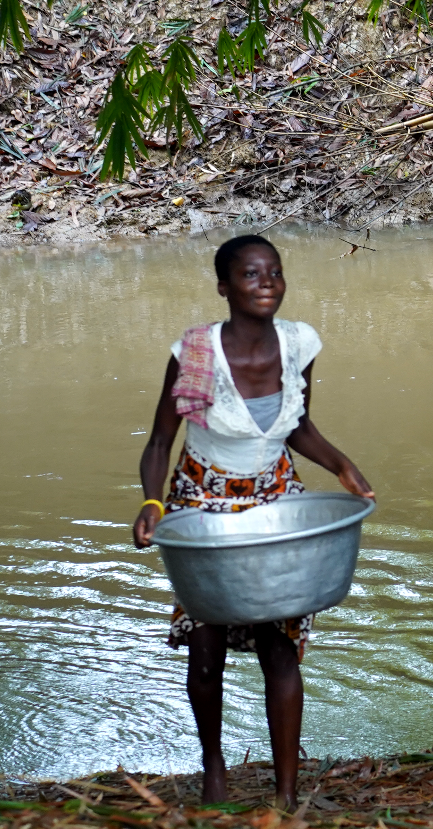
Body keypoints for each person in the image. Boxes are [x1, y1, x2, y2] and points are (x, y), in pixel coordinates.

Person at [132, 234, 374, 809]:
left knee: (280, 646)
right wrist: (151, 503)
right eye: (250, 275)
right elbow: (162, 439)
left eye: (275, 273)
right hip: (202, 500)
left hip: (274, 499)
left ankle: (286, 793)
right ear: (224, 287)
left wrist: (343, 467)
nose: (266, 283)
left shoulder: (299, 344)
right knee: (206, 644)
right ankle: (213, 767)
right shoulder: (195, 352)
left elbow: (300, 427)